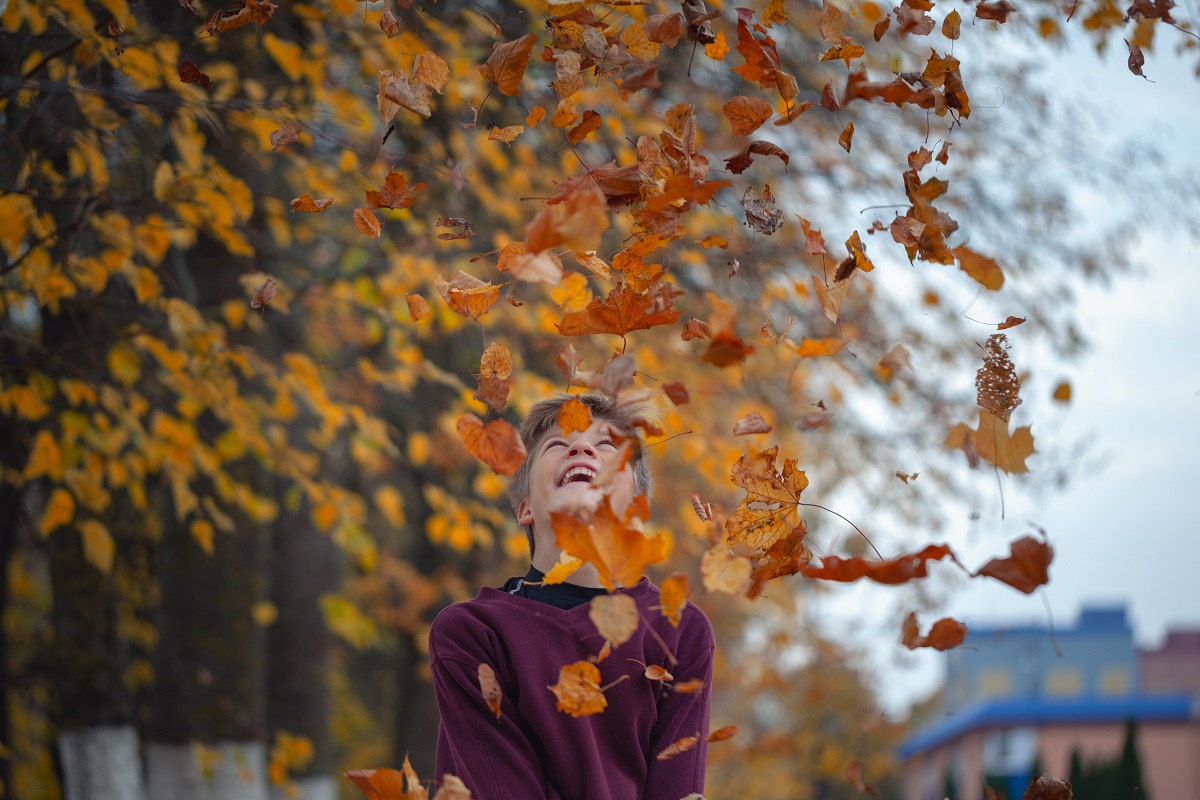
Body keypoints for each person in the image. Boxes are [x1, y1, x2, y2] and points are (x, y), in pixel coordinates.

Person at [428, 393, 714, 800]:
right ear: (525, 508)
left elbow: (676, 788)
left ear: (635, 505)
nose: (581, 447)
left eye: (606, 445)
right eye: (558, 444)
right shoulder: (473, 633)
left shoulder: (680, 630)